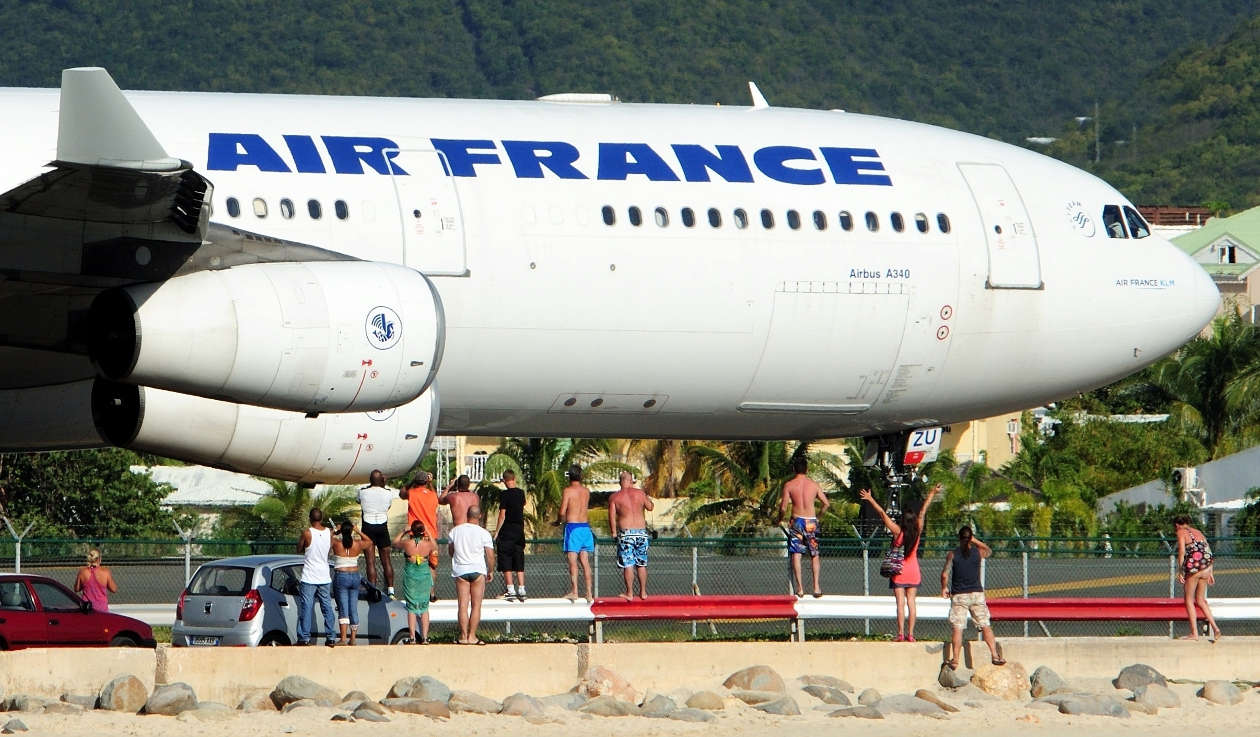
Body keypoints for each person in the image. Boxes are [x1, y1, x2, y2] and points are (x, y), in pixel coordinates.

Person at [859, 482, 941, 642]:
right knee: (911, 603)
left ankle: (901, 633)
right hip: (914, 571)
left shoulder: (898, 532)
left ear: (903, 520)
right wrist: (932, 492)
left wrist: (870, 498)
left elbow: (883, 514)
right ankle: (911, 634)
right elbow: (923, 511)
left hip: (899, 571)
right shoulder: (917, 532)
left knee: (900, 604)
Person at [940, 526, 1003, 668]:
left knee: (958, 627)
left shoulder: (953, 554)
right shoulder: (977, 553)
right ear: (971, 538)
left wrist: (944, 587)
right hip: (976, 594)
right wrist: (975, 540)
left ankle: (955, 659)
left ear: (959, 538)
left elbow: (945, 574)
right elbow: (989, 550)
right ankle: (994, 655)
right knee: (985, 625)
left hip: (959, 595)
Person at [775, 457, 830, 597]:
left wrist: (779, 519)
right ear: (807, 469)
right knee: (814, 554)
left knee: (797, 554)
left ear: (794, 469)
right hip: (811, 521)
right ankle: (816, 587)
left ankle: (800, 588)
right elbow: (826, 504)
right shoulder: (814, 485)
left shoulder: (789, 485)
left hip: (798, 521)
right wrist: (818, 517)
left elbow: (783, 507)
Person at [448, 506, 495, 645]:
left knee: (462, 605)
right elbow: (490, 555)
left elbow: (451, 551)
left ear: (467, 515)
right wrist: (490, 570)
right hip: (477, 569)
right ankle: (472, 636)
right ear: (479, 516)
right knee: (476, 606)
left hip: (461, 570)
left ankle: (463, 636)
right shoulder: (484, 533)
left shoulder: (455, 531)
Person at [1174, 515, 1221, 641]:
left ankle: (1194, 633)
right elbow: (1208, 550)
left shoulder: (1181, 532)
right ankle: (1215, 628)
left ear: (1178, 525)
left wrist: (1180, 571)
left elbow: (1182, 552)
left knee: (1189, 600)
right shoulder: (1198, 532)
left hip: (1194, 569)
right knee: (1201, 600)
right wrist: (1211, 571)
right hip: (1206, 567)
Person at [609, 470, 654, 600]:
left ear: (620, 482)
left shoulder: (615, 497)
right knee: (641, 563)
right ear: (631, 481)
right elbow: (650, 507)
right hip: (641, 532)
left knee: (628, 564)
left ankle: (629, 593)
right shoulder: (640, 494)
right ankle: (643, 592)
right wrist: (647, 498)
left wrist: (613, 532)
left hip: (626, 533)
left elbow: (612, 518)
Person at [296, 507, 337, 646]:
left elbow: (299, 548)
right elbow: (330, 548)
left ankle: (304, 637)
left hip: (309, 576)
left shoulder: (307, 533)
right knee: (327, 606)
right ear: (321, 518)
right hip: (324, 576)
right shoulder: (329, 533)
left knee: (306, 607)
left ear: (310, 518)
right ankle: (331, 636)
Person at [394, 520, 437, 644]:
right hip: (423, 575)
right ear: (422, 531)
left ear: (412, 531)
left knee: (411, 607)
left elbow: (395, 542)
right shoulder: (427, 544)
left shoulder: (407, 543)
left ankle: (412, 637)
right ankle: (425, 637)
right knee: (424, 607)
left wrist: (404, 531)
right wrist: (428, 531)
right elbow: (435, 546)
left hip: (411, 576)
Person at [400, 472, 440, 602]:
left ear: (416, 482)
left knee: (415, 564)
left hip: (416, 535)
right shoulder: (433, 495)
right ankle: (431, 594)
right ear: (426, 482)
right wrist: (430, 483)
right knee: (431, 566)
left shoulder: (412, 493)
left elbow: (402, 493)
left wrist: (412, 481)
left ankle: (416, 593)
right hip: (431, 535)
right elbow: (437, 498)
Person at [556, 464, 594, 601]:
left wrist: (558, 520)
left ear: (569, 476)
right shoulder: (586, 491)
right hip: (585, 527)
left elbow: (562, 511)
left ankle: (575, 591)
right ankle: (589, 593)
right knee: (585, 561)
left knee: (572, 561)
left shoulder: (568, 491)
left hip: (573, 527)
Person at [329, 520, 368, 646]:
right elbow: (370, 541)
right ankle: (353, 638)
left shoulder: (336, 543)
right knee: (353, 607)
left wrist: (336, 530)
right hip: (355, 576)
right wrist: (357, 530)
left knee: (343, 607)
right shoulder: (357, 544)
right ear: (351, 531)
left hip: (342, 575)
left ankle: (343, 638)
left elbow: (327, 538)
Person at [358, 469, 396, 597]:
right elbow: (388, 506)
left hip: (367, 526)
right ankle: (391, 589)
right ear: (381, 480)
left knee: (370, 561)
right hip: (382, 525)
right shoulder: (388, 493)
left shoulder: (362, 492)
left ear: (370, 480)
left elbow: (359, 501)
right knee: (386, 560)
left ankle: (372, 588)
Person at [494, 470, 528, 601]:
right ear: (514, 478)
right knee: (519, 556)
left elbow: (502, 514)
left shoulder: (504, 494)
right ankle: (522, 588)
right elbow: (522, 504)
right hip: (519, 530)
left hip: (507, 529)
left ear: (504, 480)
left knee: (506, 558)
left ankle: (510, 589)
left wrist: (497, 532)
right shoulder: (521, 493)